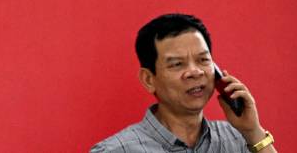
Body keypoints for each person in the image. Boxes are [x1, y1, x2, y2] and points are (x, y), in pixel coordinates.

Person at [91, 13, 276, 153]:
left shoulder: (240, 139)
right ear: (148, 79)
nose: (194, 72)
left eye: (203, 60)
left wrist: (253, 131)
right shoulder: (115, 150)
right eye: (177, 64)